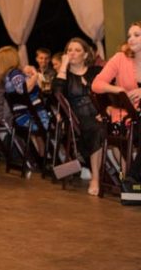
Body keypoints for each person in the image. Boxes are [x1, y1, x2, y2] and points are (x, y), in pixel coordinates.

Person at [92, 22, 141, 185]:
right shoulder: (120, 58)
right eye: (129, 36)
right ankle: (133, 178)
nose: (131, 39)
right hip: (127, 116)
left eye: (137, 35)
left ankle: (132, 177)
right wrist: (118, 89)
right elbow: (96, 84)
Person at [54, 38, 103, 195]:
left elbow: (107, 93)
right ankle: (95, 178)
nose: (72, 53)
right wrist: (63, 66)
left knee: (113, 129)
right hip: (77, 120)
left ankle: (126, 178)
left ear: (86, 54)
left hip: (100, 115)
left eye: (77, 50)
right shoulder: (64, 76)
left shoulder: (96, 71)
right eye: (69, 50)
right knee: (97, 130)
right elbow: (57, 94)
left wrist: (105, 110)